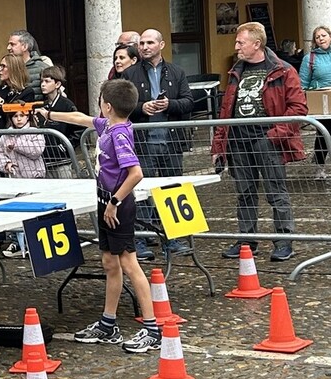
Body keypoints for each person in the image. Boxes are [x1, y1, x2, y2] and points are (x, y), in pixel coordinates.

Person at [36, 79, 162, 354]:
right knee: (109, 262)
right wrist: (49, 114)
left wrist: (115, 202)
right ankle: (108, 323)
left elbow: (136, 174)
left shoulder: (118, 135)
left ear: (107, 106)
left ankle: (153, 328)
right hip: (106, 203)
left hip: (118, 206)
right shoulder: (107, 124)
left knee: (129, 263)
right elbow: (79, 118)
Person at [211, 22, 308, 262]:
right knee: (244, 192)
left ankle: (284, 241)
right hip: (238, 139)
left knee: (276, 192)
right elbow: (227, 110)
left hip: (267, 140)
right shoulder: (236, 71)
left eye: (240, 42)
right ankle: (246, 241)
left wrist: (274, 134)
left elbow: (298, 108)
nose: (236, 47)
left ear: (257, 44)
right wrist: (219, 144)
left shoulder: (283, 71)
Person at [121, 28, 195, 261]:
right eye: (141, 43)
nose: (144, 46)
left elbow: (189, 102)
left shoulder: (176, 71)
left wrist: (169, 104)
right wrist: (141, 108)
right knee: (141, 192)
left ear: (161, 45)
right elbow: (120, 106)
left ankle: (173, 238)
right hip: (143, 142)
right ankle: (141, 240)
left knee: (172, 189)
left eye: (150, 42)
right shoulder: (130, 74)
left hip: (171, 140)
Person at [0, 106, 45, 258]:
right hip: (16, 178)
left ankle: (35, 241)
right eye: (15, 116)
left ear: (27, 117)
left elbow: (37, 150)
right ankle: (16, 241)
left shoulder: (35, 132)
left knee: (34, 211)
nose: (18, 119)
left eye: (22, 115)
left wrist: (16, 146)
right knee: (16, 212)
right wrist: (6, 164)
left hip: (34, 177)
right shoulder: (5, 135)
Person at [0, 54, 37, 177]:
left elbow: (18, 115)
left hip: (15, 143)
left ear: (14, 68)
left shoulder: (27, 92)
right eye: (0, 66)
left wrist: (0, 102)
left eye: (3, 66)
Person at [33, 64, 81, 179]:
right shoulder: (40, 105)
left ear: (57, 84)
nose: (43, 84)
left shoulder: (67, 105)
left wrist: (66, 145)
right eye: (41, 81)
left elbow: (79, 129)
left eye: (47, 81)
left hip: (62, 161)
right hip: (44, 160)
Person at [0, 29, 53, 94]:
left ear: (25, 46)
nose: (8, 48)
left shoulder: (42, 68)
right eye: (8, 44)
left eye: (12, 44)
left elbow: (52, 97)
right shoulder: (5, 68)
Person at [300, 25, 331, 178]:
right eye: (317, 37)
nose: (321, 39)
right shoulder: (309, 58)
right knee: (323, 133)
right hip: (321, 101)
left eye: (324, 35)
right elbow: (302, 82)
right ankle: (320, 166)